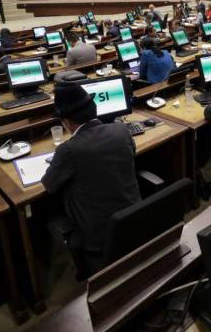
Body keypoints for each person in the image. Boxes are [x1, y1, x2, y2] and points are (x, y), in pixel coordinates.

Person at [42, 83, 141, 280]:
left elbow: (49, 185)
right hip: (134, 218)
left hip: (97, 236)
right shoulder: (122, 130)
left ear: (66, 122)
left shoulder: (68, 150)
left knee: (49, 216)